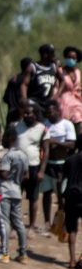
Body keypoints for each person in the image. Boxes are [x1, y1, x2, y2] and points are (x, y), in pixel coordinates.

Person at [39, 100, 77, 237]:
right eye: (47, 113)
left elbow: (72, 145)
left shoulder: (67, 124)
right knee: (46, 193)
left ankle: (63, 222)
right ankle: (47, 222)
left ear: (57, 111)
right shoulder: (45, 124)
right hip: (49, 163)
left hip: (62, 163)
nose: (49, 115)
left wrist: (56, 142)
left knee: (62, 194)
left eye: (51, 112)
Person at [0, 126, 29, 264]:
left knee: (4, 223)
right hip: (16, 190)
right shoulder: (23, 155)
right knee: (19, 223)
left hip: (5, 191)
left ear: (10, 139)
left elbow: (3, 174)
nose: (2, 139)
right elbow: (26, 175)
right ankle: (23, 253)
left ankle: (5, 253)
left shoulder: (8, 156)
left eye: (4, 137)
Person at [15, 102, 49, 232]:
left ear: (35, 114)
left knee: (33, 197)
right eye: (25, 113)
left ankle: (32, 225)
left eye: (29, 113)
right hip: (17, 167)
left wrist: (42, 170)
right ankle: (16, 225)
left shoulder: (42, 128)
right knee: (16, 196)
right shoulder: (17, 126)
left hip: (34, 166)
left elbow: (46, 151)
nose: (26, 115)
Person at [61, 144, 82, 269]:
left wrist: (61, 198)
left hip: (71, 196)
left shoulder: (70, 160)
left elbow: (62, 180)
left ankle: (72, 260)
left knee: (72, 229)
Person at [22, 44, 58, 112]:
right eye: (52, 53)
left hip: (47, 103)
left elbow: (58, 83)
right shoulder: (33, 67)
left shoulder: (54, 67)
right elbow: (24, 84)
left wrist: (55, 95)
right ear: (45, 55)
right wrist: (24, 99)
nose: (54, 55)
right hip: (35, 101)